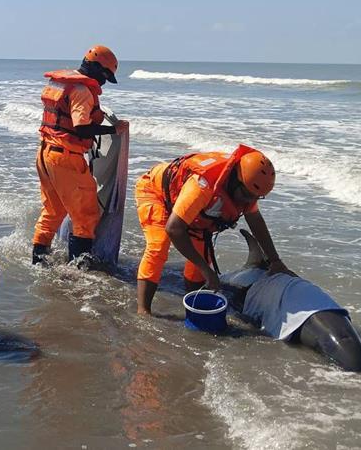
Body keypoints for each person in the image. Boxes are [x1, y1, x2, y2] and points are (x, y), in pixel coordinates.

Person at [134, 144, 294, 315]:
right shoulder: (203, 185)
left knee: (199, 266)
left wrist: (275, 261)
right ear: (235, 180)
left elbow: (255, 221)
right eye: (247, 195)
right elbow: (174, 229)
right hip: (157, 193)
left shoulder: (247, 188)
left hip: (192, 210)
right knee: (159, 246)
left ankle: (195, 305)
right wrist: (207, 270)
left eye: (255, 198)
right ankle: (143, 311)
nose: (249, 202)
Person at [32, 45, 127, 265]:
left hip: (45, 154)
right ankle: (78, 272)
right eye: (104, 76)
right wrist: (114, 130)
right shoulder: (83, 91)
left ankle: (38, 262)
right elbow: (81, 127)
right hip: (66, 158)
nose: (103, 83)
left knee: (53, 212)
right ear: (95, 68)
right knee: (86, 215)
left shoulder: (61, 83)